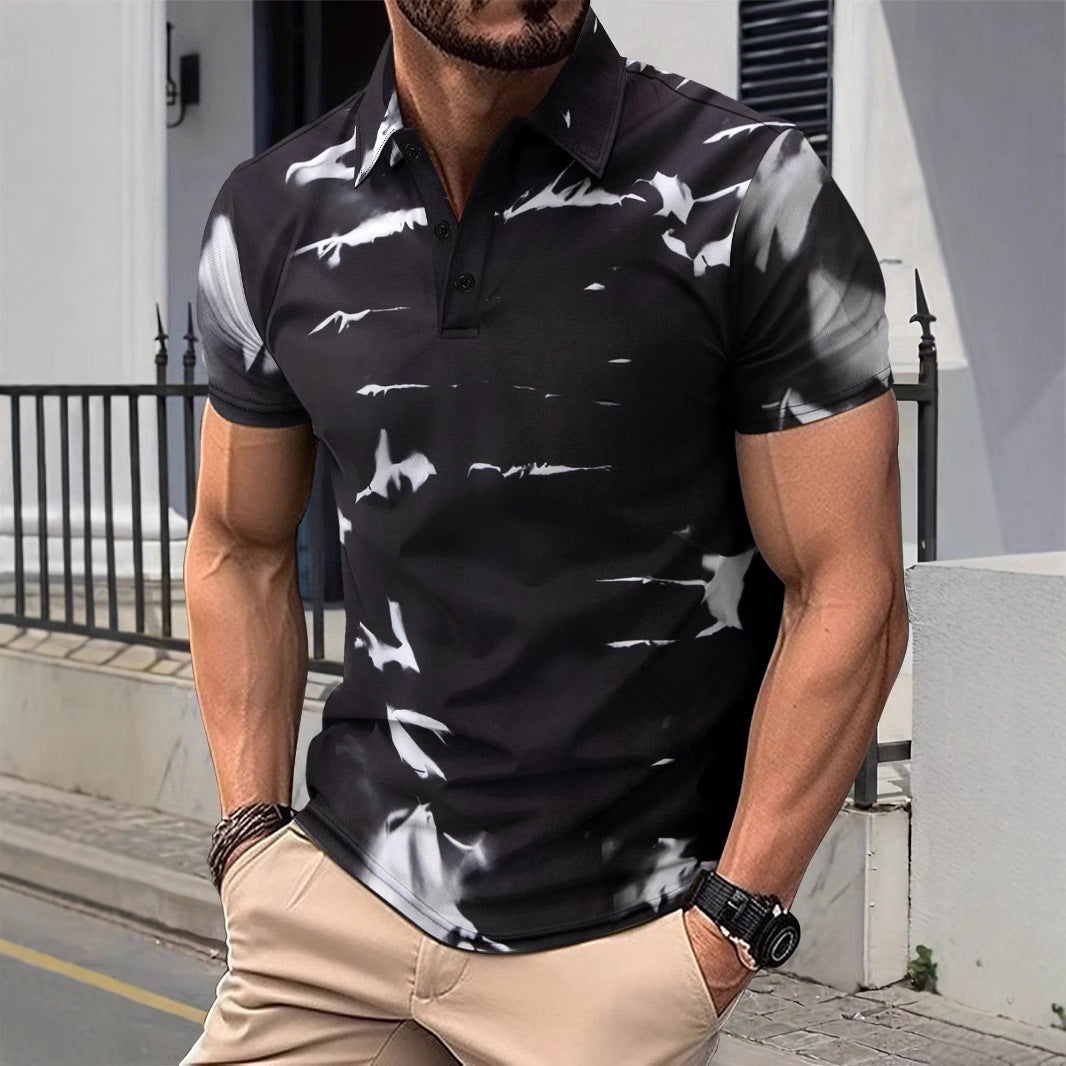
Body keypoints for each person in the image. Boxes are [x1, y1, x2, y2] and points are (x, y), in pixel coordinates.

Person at [180, 0, 909, 1062]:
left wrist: (727, 930)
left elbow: (849, 586)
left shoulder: (749, 190)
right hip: (336, 911)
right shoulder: (271, 212)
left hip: (609, 960)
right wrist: (251, 838)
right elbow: (236, 546)